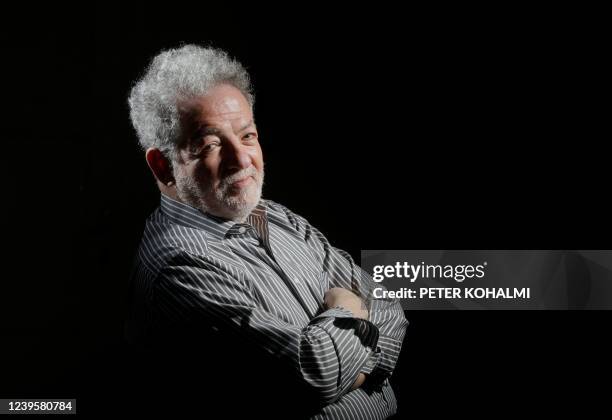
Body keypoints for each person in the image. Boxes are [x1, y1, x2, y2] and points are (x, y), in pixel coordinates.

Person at [125, 44, 408, 419]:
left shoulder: (276, 217)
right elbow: (314, 375)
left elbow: (390, 308)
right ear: (162, 165)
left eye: (247, 136)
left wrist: (349, 362)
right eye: (210, 144)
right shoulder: (178, 270)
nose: (242, 160)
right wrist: (349, 308)